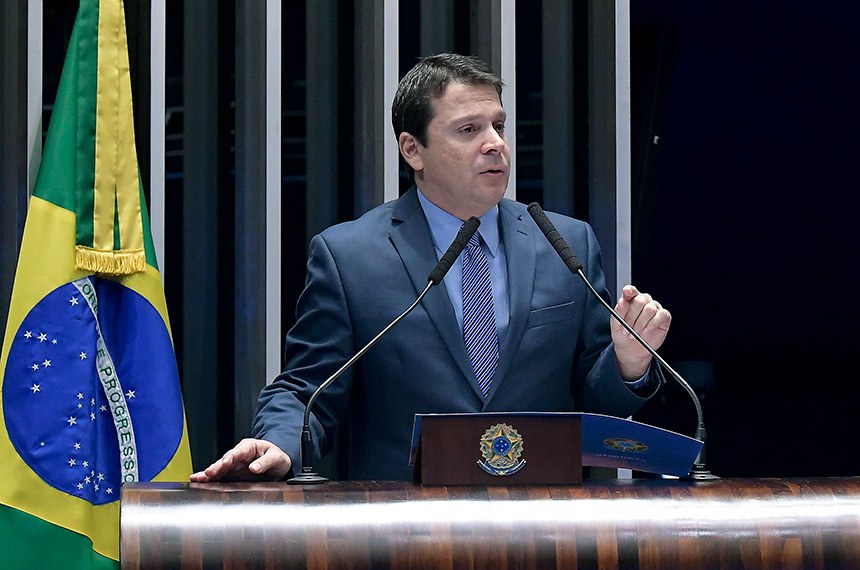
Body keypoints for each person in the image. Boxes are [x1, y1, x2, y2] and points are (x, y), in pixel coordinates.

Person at [190, 53, 671, 483]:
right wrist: (279, 443)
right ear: (412, 150)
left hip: (547, 526)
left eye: (498, 126)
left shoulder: (565, 243)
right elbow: (308, 390)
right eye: (469, 130)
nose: (495, 145)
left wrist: (628, 365)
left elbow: (597, 399)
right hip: (405, 528)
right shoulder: (350, 257)